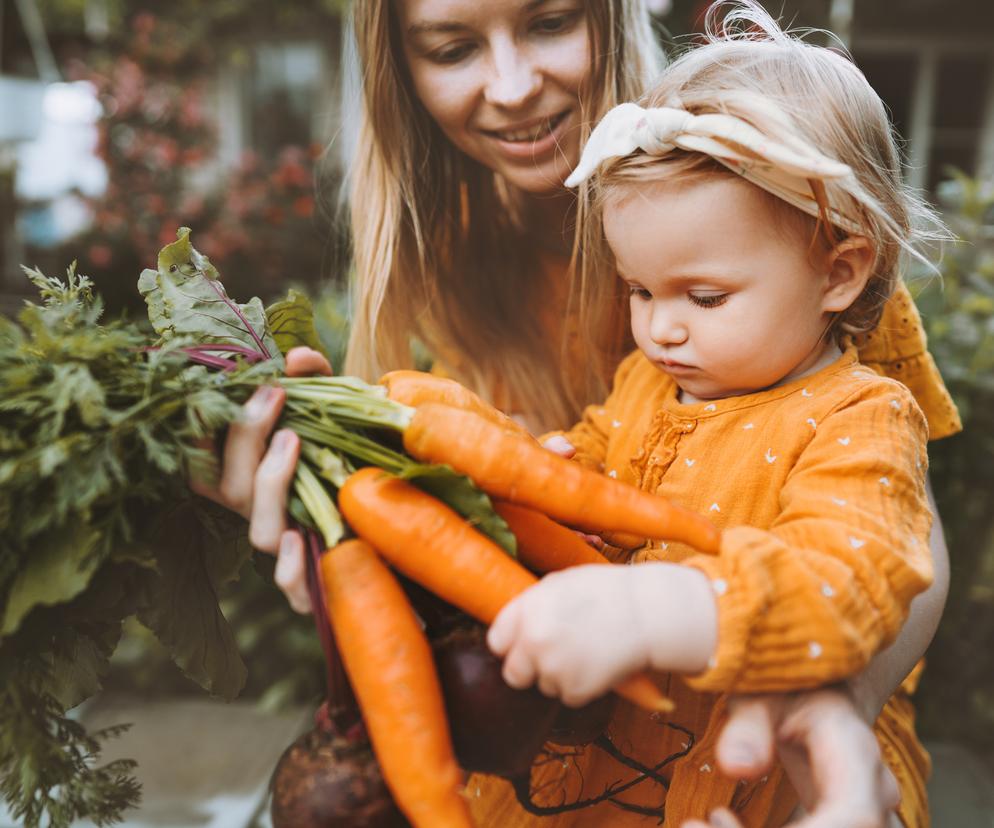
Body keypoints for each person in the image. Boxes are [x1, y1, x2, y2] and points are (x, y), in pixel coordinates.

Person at [193, 1, 959, 825]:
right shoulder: (629, 366)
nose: (661, 326)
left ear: (840, 275)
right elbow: (566, 478)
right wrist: (417, 508)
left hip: (764, 781)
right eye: (453, 47)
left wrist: (688, 624)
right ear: (403, 74)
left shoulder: (791, 210)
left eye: (550, 21)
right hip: (577, 770)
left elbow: (883, 552)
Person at [482, 5, 945, 825]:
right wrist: (540, 472)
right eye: (639, 290)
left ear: (839, 272)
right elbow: (592, 456)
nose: (662, 325)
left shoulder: (862, 418)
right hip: (596, 770)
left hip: (741, 784)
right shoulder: (647, 381)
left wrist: (663, 609)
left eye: (704, 296)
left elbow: (851, 583)